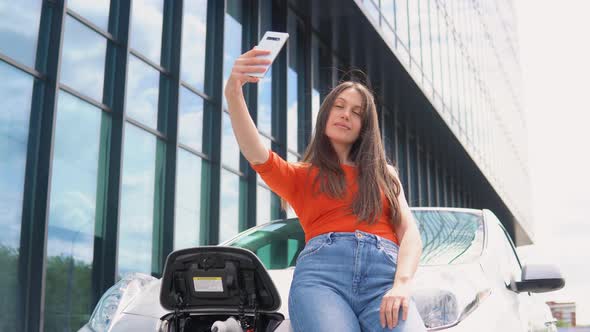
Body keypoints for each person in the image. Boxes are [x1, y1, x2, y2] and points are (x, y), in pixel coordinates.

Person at [224, 47, 426, 332]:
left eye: (356, 112)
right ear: (326, 112)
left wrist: (402, 285)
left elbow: (411, 236)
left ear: (364, 127)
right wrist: (233, 90)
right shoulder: (301, 176)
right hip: (321, 281)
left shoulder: (384, 175)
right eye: (339, 106)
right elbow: (255, 152)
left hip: (385, 280)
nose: (346, 115)